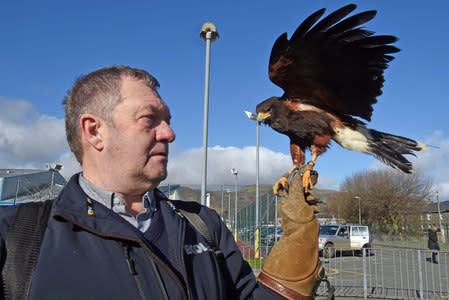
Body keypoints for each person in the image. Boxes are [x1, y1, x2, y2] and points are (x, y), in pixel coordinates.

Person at [0, 65, 323, 299]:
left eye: (167, 120)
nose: (169, 133)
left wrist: (288, 284)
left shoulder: (201, 223)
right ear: (95, 131)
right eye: (149, 119)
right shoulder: (17, 235)